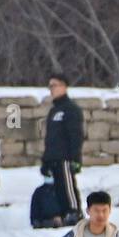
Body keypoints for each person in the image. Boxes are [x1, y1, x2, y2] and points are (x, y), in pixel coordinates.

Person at [41, 73, 84, 226]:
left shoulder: (71, 109)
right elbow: (49, 139)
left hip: (66, 156)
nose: (51, 89)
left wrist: (76, 158)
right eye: (50, 86)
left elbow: (76, 135)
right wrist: (45, 161)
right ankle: (62, 213)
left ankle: (74, 211)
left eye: (55, 85)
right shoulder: (54, 111)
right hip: (53, 156)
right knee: (57, 188)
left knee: (68, 186)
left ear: (64, 86)